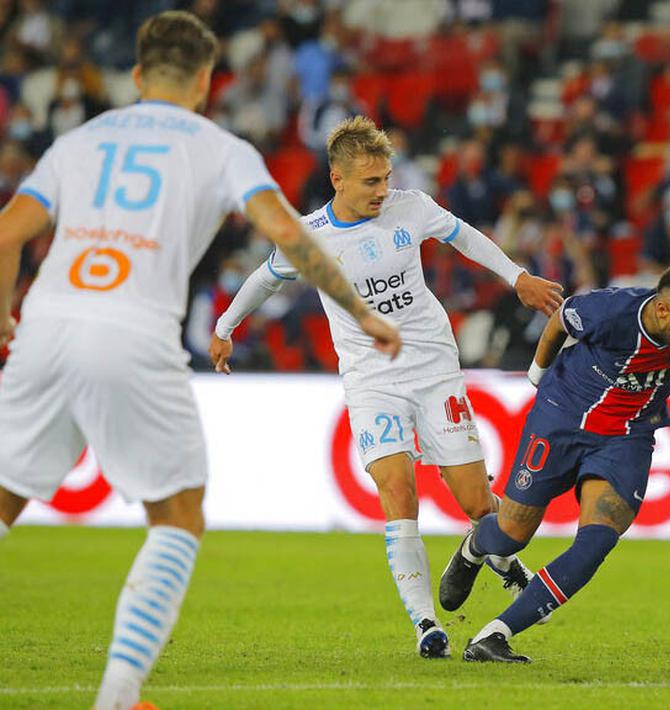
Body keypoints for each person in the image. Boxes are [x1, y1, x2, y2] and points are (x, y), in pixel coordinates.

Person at [0, 12, 399, 710]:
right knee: (179, 516)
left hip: (45, 325)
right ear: (206, 82)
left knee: (4, 501)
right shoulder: (221, 148)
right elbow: (287, 233)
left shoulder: (78, 140)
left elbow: (8, 233)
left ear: (134, 77)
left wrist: (4, 317)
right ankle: (119, 697)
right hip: (132, 332)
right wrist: (362, 311)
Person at [210, 115, 564, 659]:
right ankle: (427, 625)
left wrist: (516, 276)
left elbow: (464, 236)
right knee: (398, 490)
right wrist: (225, 328)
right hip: (371, 378)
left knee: (477, 504)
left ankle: (480, 550)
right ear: (338, 179)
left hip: (433, 368)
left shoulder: (411, 207)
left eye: (385, 178)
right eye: (370, 181)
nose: (383, 190)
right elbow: (263, 277)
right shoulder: (310, 237)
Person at [438, 261, 670, 663]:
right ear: (662, 311)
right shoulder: (610, 312)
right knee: (511, 533)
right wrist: (536, 375)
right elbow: (560, 322)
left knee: (597, 541)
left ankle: (493, 635)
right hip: (561, 420)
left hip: (627, 436)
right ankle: (477, 547)